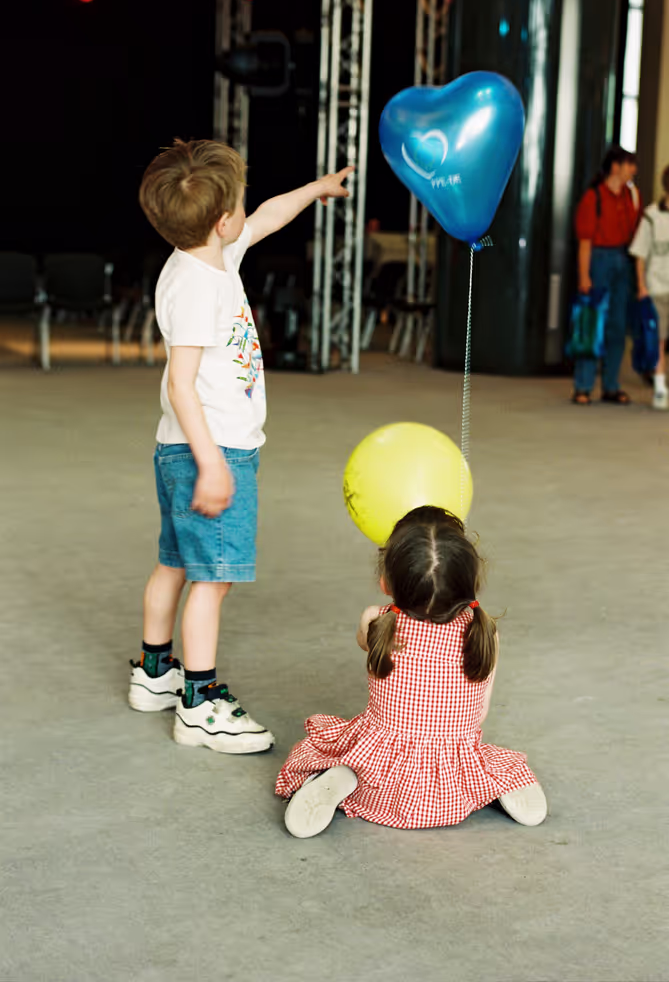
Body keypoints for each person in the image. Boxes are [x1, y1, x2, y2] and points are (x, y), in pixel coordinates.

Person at [128, 138, 352, 753]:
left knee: (175, 559)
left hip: (180, 448)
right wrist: (212, 466)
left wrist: (314, 190)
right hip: (212, 450)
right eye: (240, 205)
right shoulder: (200, 285)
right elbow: (180, 383)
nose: (248, 212)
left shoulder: (207, 255)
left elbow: (270, 215)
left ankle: (154, 672)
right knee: (213, 577)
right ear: (222, 219)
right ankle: (199, 701)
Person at [276, 506, 547, 837]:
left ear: (385, 582)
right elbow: (478, 715)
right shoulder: (485, 631)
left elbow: (366, 644)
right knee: (485, 757)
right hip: (450, 778)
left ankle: (345, 774)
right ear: (471, 582)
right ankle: (500, 784)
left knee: (343, 744)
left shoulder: (376, 620)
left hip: (380, 769)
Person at [572, 146, 641, 405]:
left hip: (623, 260)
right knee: (591, 323)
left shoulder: (631, 196)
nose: (633, 170)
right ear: (615, 167)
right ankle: (583, 385)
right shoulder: (594, 197)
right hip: (599, 259)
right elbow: (585, 241)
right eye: (629, 164)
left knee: (617, 324)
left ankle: (611, 385)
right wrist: (584, 277)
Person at [629, 164, 669, 410]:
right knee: (660, 340)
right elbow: (640, 255)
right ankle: (660, 387)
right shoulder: (651, 216)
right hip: (656, 288)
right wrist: (642, 286)